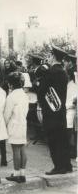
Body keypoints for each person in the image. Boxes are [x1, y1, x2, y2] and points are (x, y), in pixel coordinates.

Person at [38, 45, 71, 175]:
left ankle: (58, 166)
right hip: (61, 111)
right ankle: (66, 165)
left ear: (52, 56)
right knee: (62, 139)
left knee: (53, 139)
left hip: (50, 112)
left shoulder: (50, 72)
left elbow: (41, 92)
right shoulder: (63, 72)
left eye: (50, 56)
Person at [4, 72, 29, 183]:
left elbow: (7, 114)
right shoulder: (24, 95)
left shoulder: (11, 96)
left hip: (14, 124)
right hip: (23, 123)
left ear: (11, 84)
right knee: (22, 149)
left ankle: (16, 173)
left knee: (15, 150)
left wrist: (4, 124)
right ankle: (22, 173)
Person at [66, 67, 77, 159]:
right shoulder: (69, 84)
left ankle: (72, 150)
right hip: (68, 108)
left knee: (70, 131)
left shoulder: (73, 85)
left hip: (71, 110)